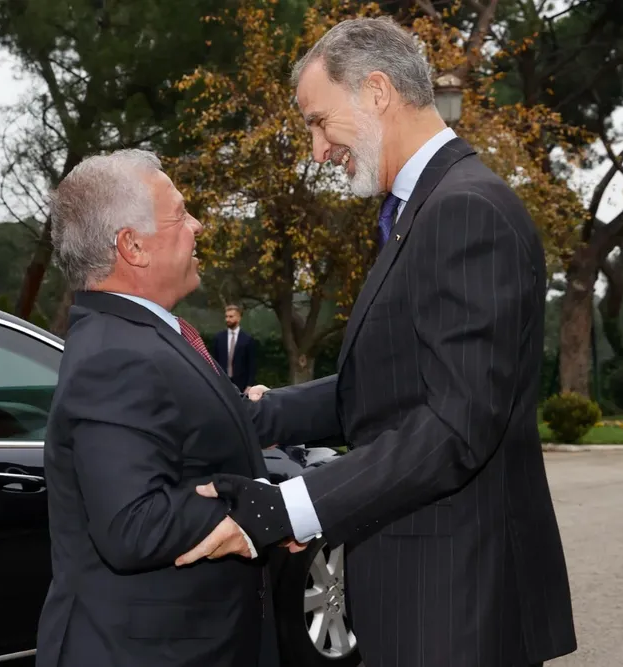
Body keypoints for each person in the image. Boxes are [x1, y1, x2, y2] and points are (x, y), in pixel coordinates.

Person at [177, 17, 577, 667]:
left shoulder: (464, 209)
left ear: (378, 92)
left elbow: (456, 424)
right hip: (423, 592)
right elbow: (396, 382)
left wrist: (285, 506)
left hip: (455, 605)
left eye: (317, 121)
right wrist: (256, 414)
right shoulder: (421, 207)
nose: (316, 150)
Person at [35, 149, 339, 667]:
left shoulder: (143, 336)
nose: (197, 225)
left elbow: (232, 424)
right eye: (180, 213)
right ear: (132, 246)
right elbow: (133, 524)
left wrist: (368, 390)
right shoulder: (115, 355)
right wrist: (266, 509)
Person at [211, 305, 257, 392]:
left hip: (241, 384)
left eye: (231, 316)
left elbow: (252, 364)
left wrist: (250, 385)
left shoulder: (247, 339)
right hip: (222, 382)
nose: (227, 319)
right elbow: (214, 361)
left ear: (239, 318)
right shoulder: (219, 338)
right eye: (226, 316)